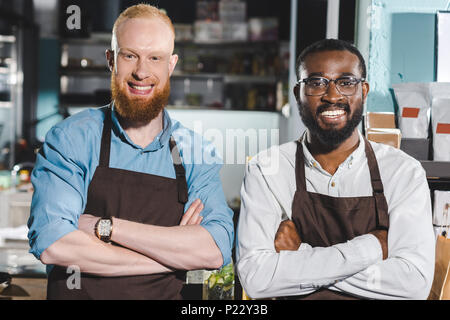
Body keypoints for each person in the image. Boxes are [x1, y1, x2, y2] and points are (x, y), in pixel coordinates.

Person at [28, 4, 234, 300]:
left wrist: (106, 228)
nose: (141, 71)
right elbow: (54, 244)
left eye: (155, 58)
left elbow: (215, 251)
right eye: (130, 55)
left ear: (171, 65)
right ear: (111, 60)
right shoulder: (72, 137)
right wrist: (168, 257)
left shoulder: (194, 152)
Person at [236, 39, 435, 300]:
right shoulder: (267, 170)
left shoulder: (403, 172)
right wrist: (371, 247)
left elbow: (413, 283)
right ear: (298, 93)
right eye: (317, 82)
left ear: (364, 91)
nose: (332, 96)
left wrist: (301, 257)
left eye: (346, 82)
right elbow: (257, 279)